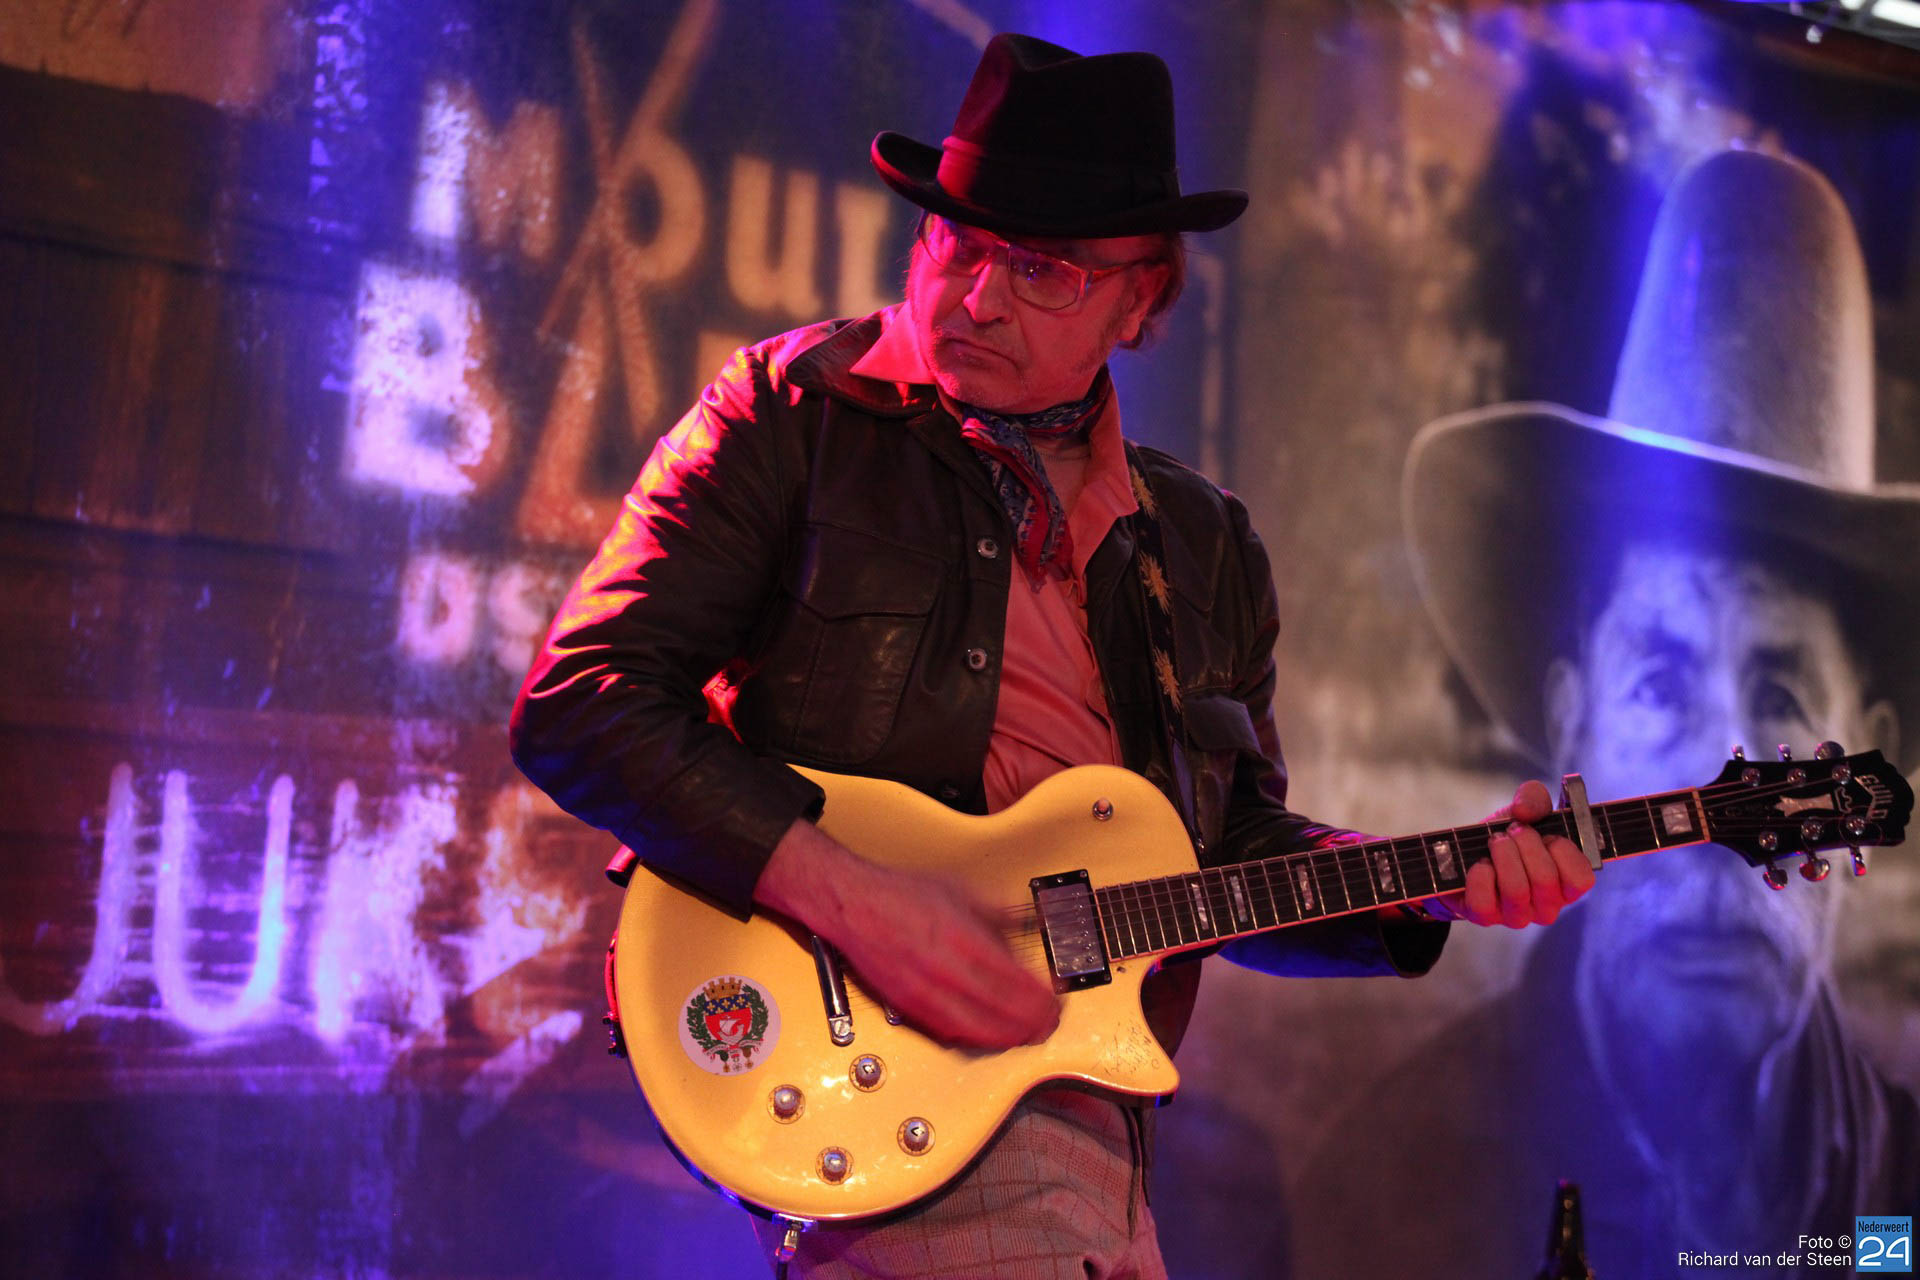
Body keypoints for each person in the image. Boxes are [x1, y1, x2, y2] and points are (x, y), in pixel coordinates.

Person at [511, 33, 1591, 1279]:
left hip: (1090, 1127)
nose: (976, 296)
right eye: (957, 241)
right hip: (905, 1076)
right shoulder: (790, 415)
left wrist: (1432, 884)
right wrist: (855, 897)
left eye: (1041, 270)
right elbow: (577, 700)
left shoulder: (1201, 542)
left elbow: (1225, 856)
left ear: (1141, 300)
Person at [1293, 148, 1920, 1280]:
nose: (1725, 809)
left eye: (1780, 697)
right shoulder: (1393, 1190)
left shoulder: (1900, 1209)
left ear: (1860, 758)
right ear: (1573, 727)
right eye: (1661, 685)